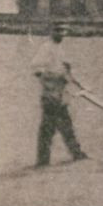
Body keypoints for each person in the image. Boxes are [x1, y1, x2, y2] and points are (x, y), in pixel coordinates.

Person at [31, 23, 87, 167]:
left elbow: (67, 71)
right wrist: (53, 76)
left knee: (66, 126)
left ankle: (76, 153)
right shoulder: (46, 48)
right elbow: (37, 69)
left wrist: (81, 85)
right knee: (48, 128)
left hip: (61, 95)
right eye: (58, 30)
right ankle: (43, 160)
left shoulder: (60, 49)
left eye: (64, 31)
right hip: (50, 94)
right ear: (51, 31)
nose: (62, 33)